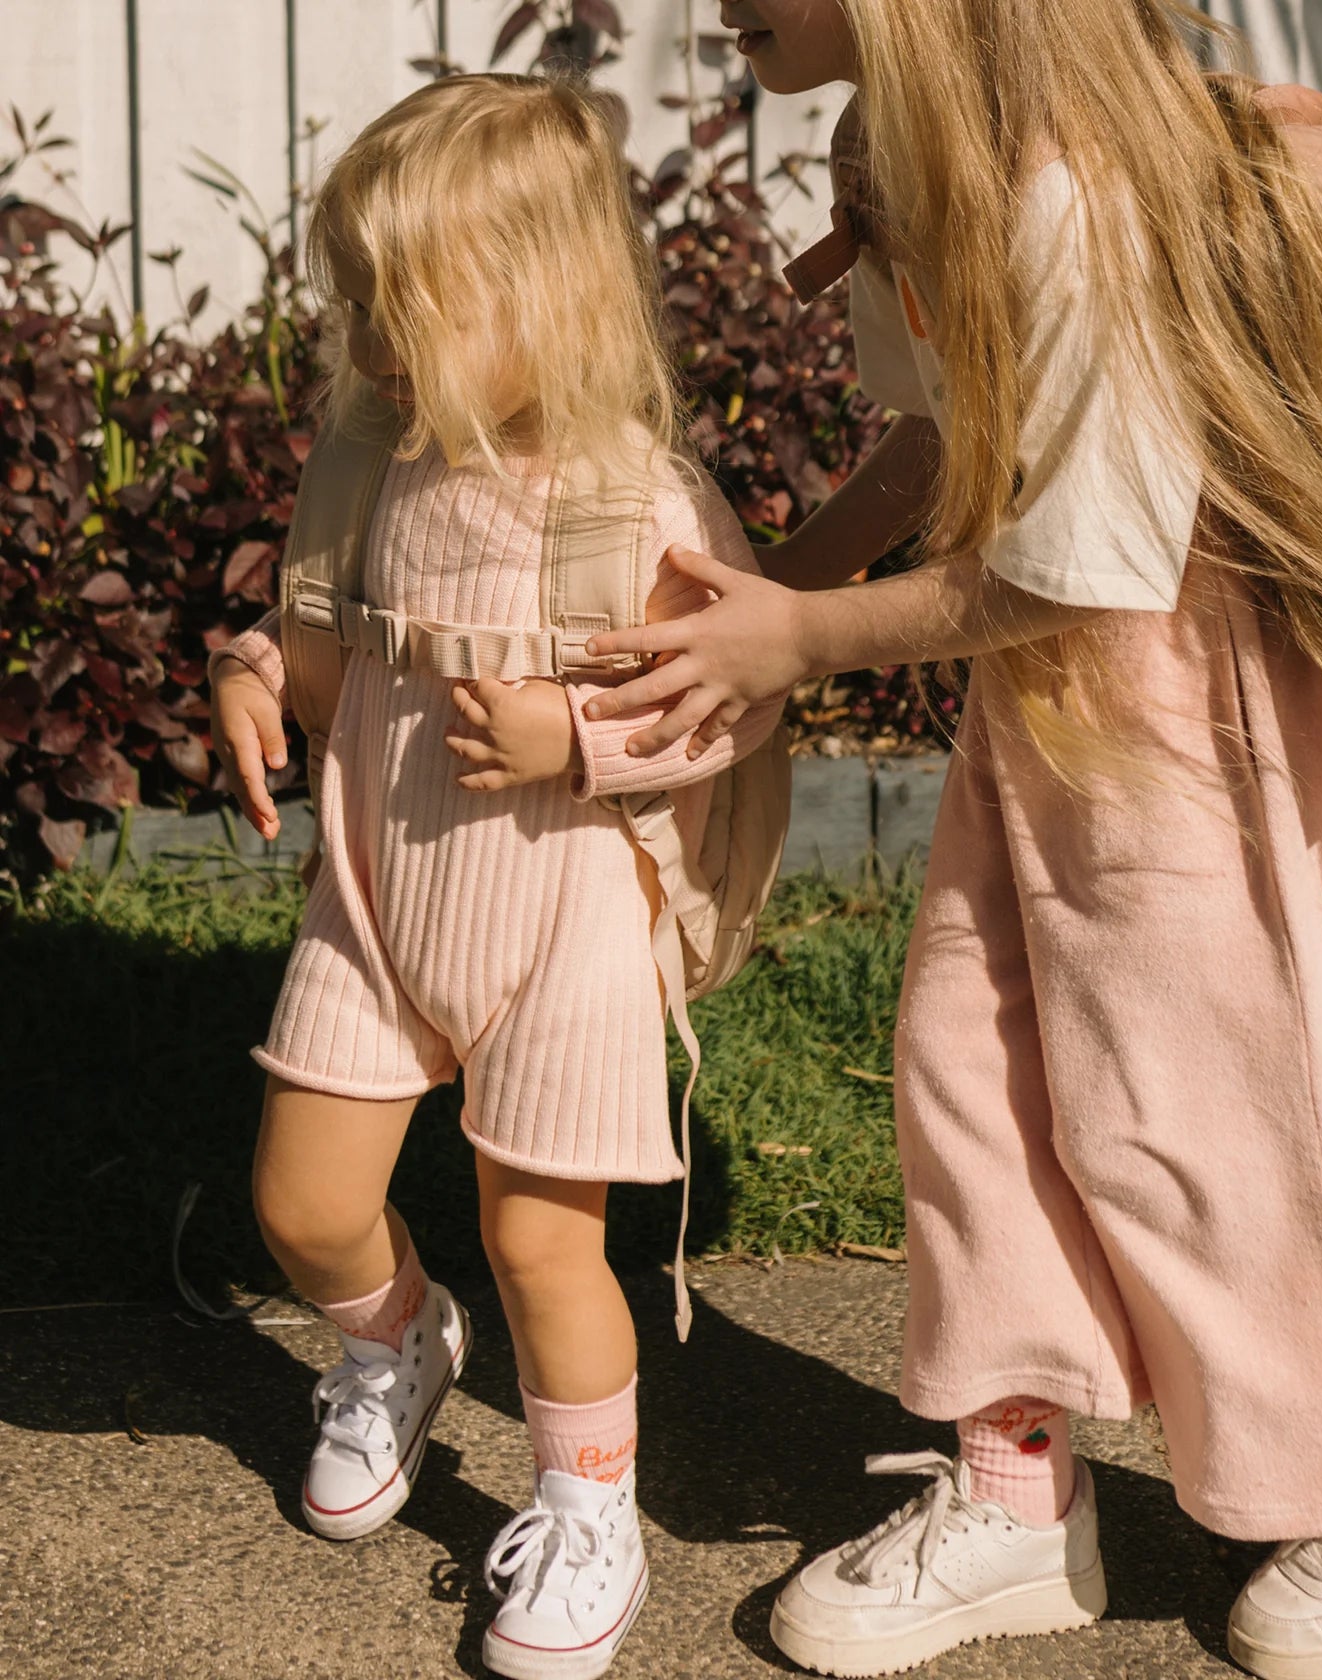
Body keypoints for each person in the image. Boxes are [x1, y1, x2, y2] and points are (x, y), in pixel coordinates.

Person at [578, 5, 1322, 1676]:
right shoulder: (912, 144)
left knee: (1252, 1107)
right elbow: (963, 442)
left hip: (1199, 711)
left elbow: (1098, 553)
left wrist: (799, 643)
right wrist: (782, 595)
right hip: (1049, 705)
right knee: (979, 1073)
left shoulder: (1073, 180)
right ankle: (1013, 1487)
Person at [208, 73, 780, 1680]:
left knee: (544, 1243)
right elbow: (329, 638)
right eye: (357, 302)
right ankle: (400, 1341)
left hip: (564, 925)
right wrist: (258, 670)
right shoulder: (380, 461)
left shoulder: (634, 504)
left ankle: (588, 1502)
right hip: (381, 905)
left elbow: (732, 701)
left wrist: (584, 738)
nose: (369, 338)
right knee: (302, 1203)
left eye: (406, 304)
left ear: (548, 299)